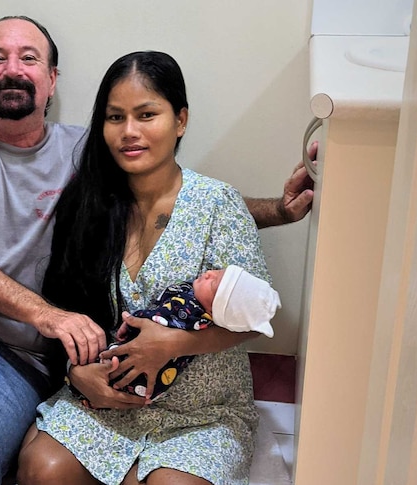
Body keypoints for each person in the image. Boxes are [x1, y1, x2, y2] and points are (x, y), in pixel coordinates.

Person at [0, 16, 315, 485]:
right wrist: (62, 343)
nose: (129, 132)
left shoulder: (87, 157)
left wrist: (279, 212)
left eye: (29, 58)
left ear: (51, 79)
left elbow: (190, 205)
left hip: (45, 364)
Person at [16, 50, 273, 485]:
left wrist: (172, 345)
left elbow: (259, 316)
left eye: (146, 114)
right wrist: (79, 375)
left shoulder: (218, 204)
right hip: (108, 400)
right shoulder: (90, 205)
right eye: (115, 117)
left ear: (181, 121)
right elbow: (63, 309)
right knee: (42, 469)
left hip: (203, 413)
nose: (129, 132)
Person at [69, 265, 279, 404]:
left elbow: (154, 321)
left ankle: (85, 393)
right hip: (153, 383)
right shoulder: (193, 296)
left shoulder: (190, 313)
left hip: (146, 376)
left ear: (215, 312)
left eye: (213, 284)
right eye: (217, 271)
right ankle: (87, 392)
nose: (209, 273)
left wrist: (132, 321)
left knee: (113, 370)